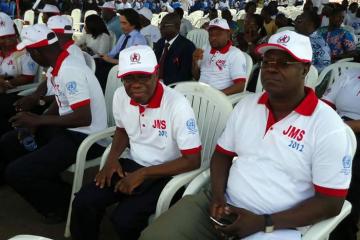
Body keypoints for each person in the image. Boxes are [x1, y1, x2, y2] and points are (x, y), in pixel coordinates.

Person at [139, 30, 353, 240]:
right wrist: (218, 197)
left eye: (284, 63)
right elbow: (222, 155)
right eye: (267, 62)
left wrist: (264, 222)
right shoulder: (247, 106)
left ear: (305, 69)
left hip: (278, 225)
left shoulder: (327, 126)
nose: (272, 69)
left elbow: (331, 203)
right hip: (223, 205)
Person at [70, 45, 202, 240]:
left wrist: (144, 174)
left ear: (156, 73)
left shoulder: (177, 105)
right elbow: (122, 129)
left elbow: (193, 160)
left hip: (166, 173)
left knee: (124, 219)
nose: (136, 84)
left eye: (143, 77)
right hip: (132, 163)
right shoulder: (120, 96)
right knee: (84, 201)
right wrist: (112, 160)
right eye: (129, 78)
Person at [0, 24, 107, 223]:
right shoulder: (58, 66)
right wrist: (37, 124)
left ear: (35, 51)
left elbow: (84, 117)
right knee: (10, 141)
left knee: (16, 172)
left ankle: (62, 205)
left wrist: (38, 119)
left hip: (85, 137)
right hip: (68, 129)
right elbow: (61, 102)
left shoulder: (70, 69)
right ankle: (53, 185)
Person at [322, 69, 360, 240]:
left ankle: (344, 230)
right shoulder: (350, 74)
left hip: (348, 131)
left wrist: (340, 128)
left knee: (350, 175)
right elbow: (325, 104)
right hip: (336, 127)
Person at [0, 12, 38, 137]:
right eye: (2, 38)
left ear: (15, 35)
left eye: (9, 37)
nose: (6, 41)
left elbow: (27, 78)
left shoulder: (24, 53)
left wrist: (7, 83)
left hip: (18, 92)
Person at [193, 18, 247, 95]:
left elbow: (240, 86)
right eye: (211, 34)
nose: (213, 38)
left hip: (218, 100)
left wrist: (216, 96)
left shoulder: (236, 54)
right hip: (199, 94)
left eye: (218, 34)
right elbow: (197, 77)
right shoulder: (205, 48)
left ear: (228, 34)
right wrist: (195, 62)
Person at [95, 8, 146, 89]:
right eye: (120, 23)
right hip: (117, 62)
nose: (121, 26)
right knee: (96, 63)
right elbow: (114, 52)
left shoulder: (138, 39)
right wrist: (104, 56)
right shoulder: (123, 36)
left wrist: (111, 60)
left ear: (133, 24)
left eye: (124, 23)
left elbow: (133, 62)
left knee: (101, 72)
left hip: (126, 67)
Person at [154, 13, 195, 85]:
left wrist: (163, 82)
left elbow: (185, 75)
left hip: (175, 88)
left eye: (165, 25)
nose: (161, 28)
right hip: (156, 84)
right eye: (160, 25)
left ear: (177, 27)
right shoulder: (160, 43)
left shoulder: (187, 46)